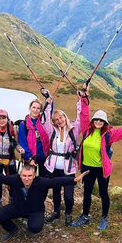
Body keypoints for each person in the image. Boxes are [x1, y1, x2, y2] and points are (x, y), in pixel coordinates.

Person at [71, 109, 122, 230]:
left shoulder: (109, 135)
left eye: (101, 120)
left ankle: (104, 218)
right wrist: (84, 97)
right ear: (93, 120)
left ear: (105, 123)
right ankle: (84, 216)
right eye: (96, 119)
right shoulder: (87, 131)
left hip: (101, 169)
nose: (98, 122)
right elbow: (84, 114)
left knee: (103, 193)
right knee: (87, 192)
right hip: (87, 168)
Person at [0, 162, 88, 241]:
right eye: (24, 176)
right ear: (20, 175)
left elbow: (56, 181)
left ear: (34, 176)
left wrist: (73, 180)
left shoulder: (41, 182)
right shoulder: (15, 179)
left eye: (29, 176)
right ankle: (13, 229)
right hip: (17, 207)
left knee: (35, 227)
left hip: (35, 210)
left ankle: (31, 223)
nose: (26, 178)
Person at [41, 89, 90, 226]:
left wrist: (80, 101)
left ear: (65, 117)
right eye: (56, 120)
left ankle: (68, 213)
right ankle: (56, 213)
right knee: (56, 191)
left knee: (69, 195)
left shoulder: (74, 128)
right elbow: (44, 120)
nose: (59, 121)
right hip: (53, 167)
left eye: (61, 117)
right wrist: (49, 103)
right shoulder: (52, 130)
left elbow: (81, 116)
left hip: (69, 169)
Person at [0, 109, 25, 207]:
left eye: (4, 118)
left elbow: (16, 143)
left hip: (10, 160)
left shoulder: (12, 129)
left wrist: (20, 149)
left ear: (7, 118)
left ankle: (13, 200)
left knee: (13, 180)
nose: (1, 120)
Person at [18, 92, 51, 176]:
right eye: (34, 107)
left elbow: (49, 110)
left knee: (44, 180)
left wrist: (49, 99)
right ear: (30, 108)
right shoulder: (24, 124)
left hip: (44, 156)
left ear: (41, 110)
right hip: (31, 157)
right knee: (29, 179)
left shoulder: (44, 122)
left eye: (38, 108)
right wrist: (30, 158)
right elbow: (23, 142)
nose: (35, 110)